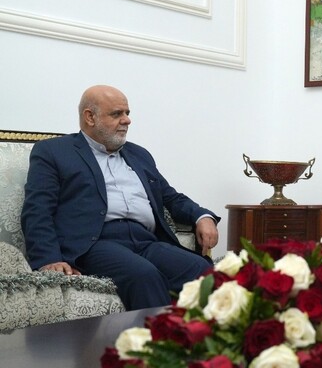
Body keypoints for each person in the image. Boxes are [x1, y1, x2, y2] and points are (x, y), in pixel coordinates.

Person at [21, 85, 220, 310]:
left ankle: (206, 334)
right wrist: (48, 259)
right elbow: (37, 209)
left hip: (146, 241)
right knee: (144, 275)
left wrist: (202, 216)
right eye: (117, 114)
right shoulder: (53, 151)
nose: (127, 120)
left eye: (127, 113)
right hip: (95, 243)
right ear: (90, 117)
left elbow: (170, 197)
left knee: (204, 272)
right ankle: (158, 334)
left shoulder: (139, 154)